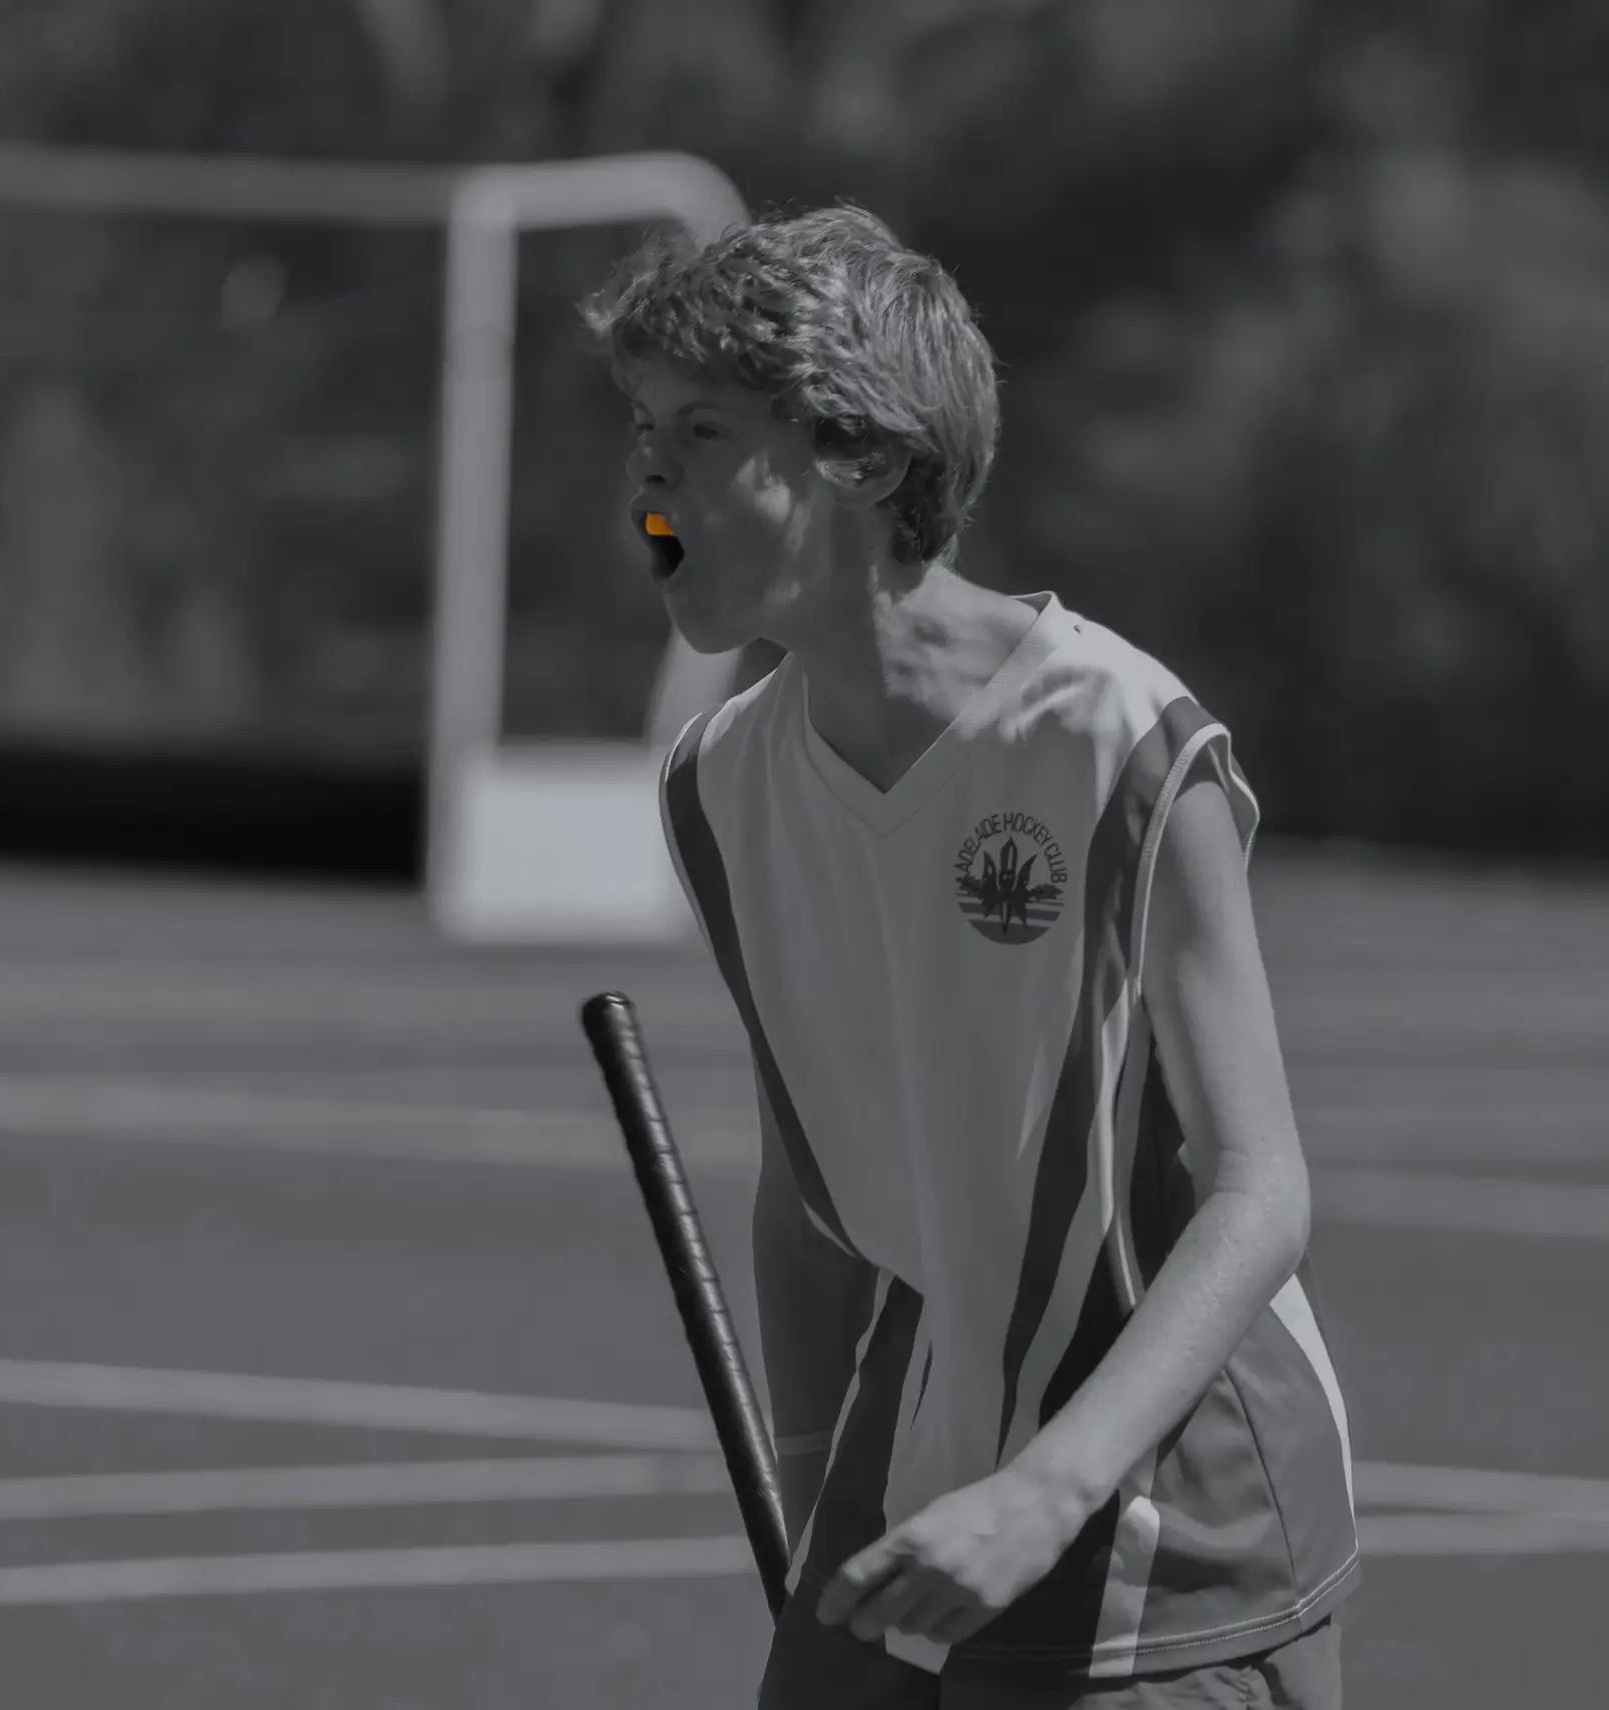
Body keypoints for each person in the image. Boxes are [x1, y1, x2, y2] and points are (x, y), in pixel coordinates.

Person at [579, 206, 1356, 1709]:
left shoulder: (1116, 740)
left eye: (703, 428)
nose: (648, 469)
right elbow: (813, 1204)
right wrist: (820, 1500)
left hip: (1166, 1500)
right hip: (919, 1439)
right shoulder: (720, 785)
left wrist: (1045, 1487)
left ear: (864, 458)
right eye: (639, 425)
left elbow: (1261, 1192)